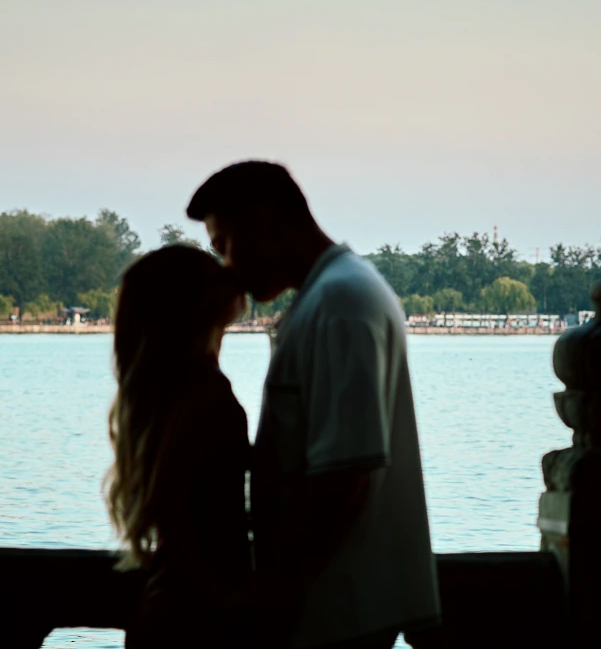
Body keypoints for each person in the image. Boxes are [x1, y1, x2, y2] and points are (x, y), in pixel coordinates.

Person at [187, 161, 440, 649]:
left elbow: (347, 473)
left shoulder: (340, 303)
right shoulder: (338, 293)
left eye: (224, 246)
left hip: (335, 611)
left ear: (263, 223)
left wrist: (276, 588)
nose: (226, 267)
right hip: (336, 603)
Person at [105, 246, 271, 648]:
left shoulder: (176, 388)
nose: (231, 272)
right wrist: (227, 599)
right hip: (194, 619)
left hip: (175, 610)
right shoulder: (205, 390)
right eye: (214, 272)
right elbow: (172, 505)